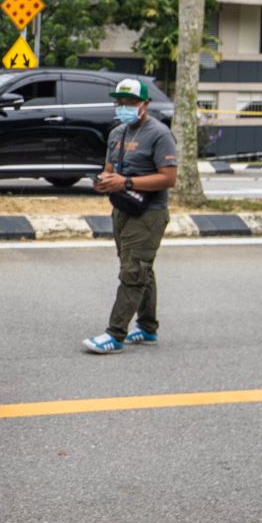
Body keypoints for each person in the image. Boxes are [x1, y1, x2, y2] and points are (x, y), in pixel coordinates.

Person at [84, 78, 177, 354]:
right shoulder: (117, 134)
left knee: (133, 272)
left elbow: (169, 178)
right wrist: (102, 181)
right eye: (120, 102)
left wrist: (125, 183)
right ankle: (148, 328)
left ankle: (115, 334)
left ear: (145, 104)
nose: (124, 107)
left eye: (130, 102)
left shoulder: (160, 134)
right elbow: (109, 169)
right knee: (140, 268)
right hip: (122, 210)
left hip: (149, 213)